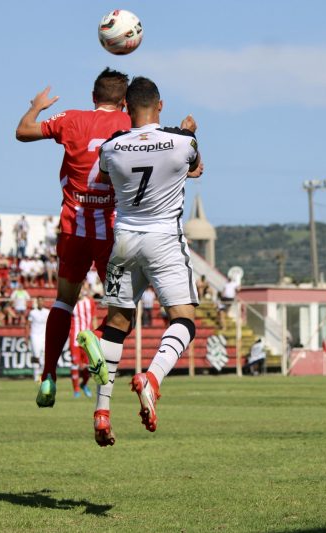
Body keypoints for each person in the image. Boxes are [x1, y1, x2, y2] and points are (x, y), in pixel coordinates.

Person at [85, 75, 203, 446]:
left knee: (117, 325)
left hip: (124, 242)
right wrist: (186, 133)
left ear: (125, 109)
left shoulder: (113, 145)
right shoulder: (183, 141)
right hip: (164, 239)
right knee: (184, 319)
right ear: (161, 105)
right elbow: (196, 168)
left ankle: (102, 412)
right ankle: (152, 377)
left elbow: (101, 176)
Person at [15, 68, 132, 408]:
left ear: (93, 97)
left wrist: (37, 106)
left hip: (73, 226)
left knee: (64, 301)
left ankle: (49, 375)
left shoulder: (72, 119)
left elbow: (22, 131)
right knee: (124, 309)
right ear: (124, 101)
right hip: (111, 230)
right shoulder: (131, 126)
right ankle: (95, 338)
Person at [69, 291, 98, 398]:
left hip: (88, 339)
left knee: (88, 366)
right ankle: (76, 389)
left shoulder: (90, 302)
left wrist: (95, 335)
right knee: (75, 364)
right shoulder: (71, 303)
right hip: (75, 338)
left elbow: (94, 318)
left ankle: (84, 384)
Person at [27, 297, 50, 382]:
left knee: (44, 356)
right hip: (35, 336)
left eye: (42, 301)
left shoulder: (47, 312)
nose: (40, 303)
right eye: (39, 301)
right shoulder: (32, 312)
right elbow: (27, 325)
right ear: (36, 302)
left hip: (44, 336)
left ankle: (43, 375)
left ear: (43, 302)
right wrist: (26, 337)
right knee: (36, 355)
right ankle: (36, 375)